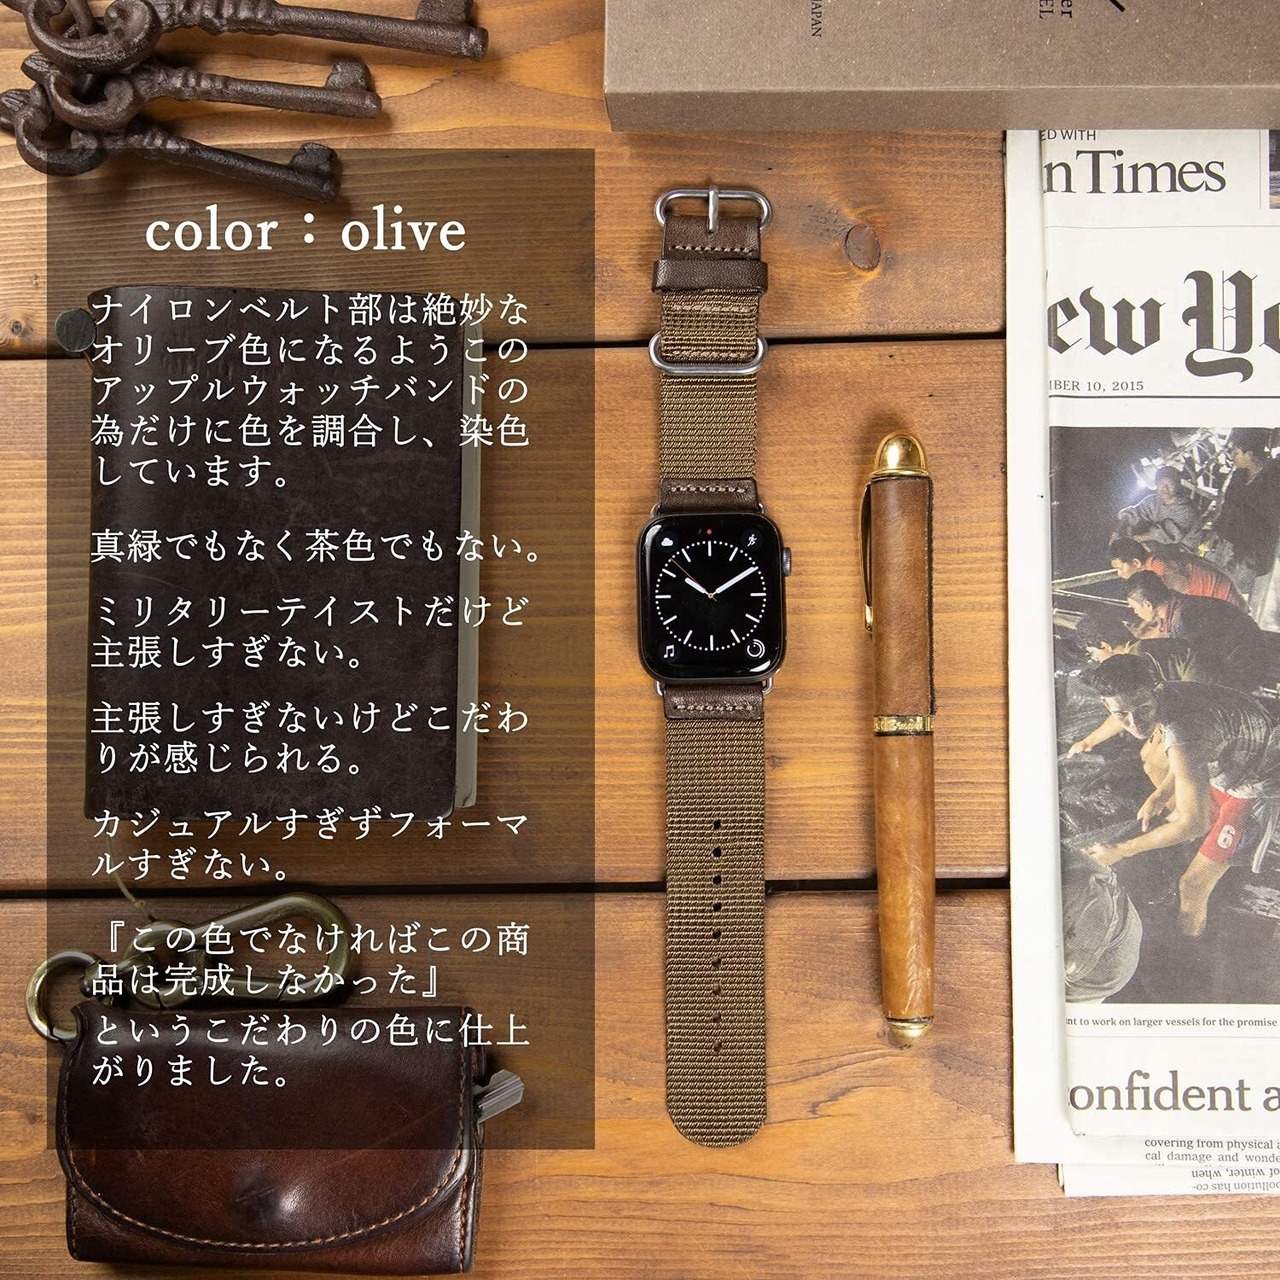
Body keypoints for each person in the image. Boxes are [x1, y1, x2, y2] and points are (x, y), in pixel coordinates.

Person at [1084, 654, 1280, 937]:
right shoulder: (1169, 695)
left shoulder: (1184, 730)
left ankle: (1189, 953)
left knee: (1193, 885)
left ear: (1157, 690)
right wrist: (1161, 793)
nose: (1135, 722)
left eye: (1143, 709)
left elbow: (1194, 820)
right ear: (1106, 706)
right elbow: (1193, 753)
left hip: (1258, 788)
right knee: (1156, 768)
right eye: (1121, 714)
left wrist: (1120, 850)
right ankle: (1209, 848)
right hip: (1235, 760)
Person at [1122, 570, 1270, 691]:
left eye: (1134, 607)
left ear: (1148, 604)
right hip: (1250, 656)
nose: (1135, 612)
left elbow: (1198, 663)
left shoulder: (1183, 620)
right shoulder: (1180, 604)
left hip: (1244, 671)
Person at [1209, 429, 1280, 628]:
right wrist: (1217, 529)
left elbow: (1270, 519)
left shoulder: (1273, 478)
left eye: (1236, 452)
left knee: (1235, 592)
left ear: (1250, 454)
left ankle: (1231, 627)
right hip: (1228, 542)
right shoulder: (1238, 475)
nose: (1232, 456)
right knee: (1216, 582)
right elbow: (1227, 505)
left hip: (1250, 550)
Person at [1108, 535, 1245, 609]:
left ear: (1136, 563)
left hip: (1229, 605)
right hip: (1224, 598)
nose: (1119, 574)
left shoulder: (1161, 569)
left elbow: (1180, 601)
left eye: (1119, 568)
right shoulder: (1155, 558)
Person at [1116, 465, 1203, 551]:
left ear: (1178, 485)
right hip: (1162, 544)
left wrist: (1137, 539)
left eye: (1170, 484)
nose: (1165, 488)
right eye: (1161, 483)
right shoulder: (1152, 501)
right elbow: (1134, 513)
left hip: (1182, 549)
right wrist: (1117, 531)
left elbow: (1169, 533)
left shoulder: (1186, 508)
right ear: (1156, 484)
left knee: (1142, 548)